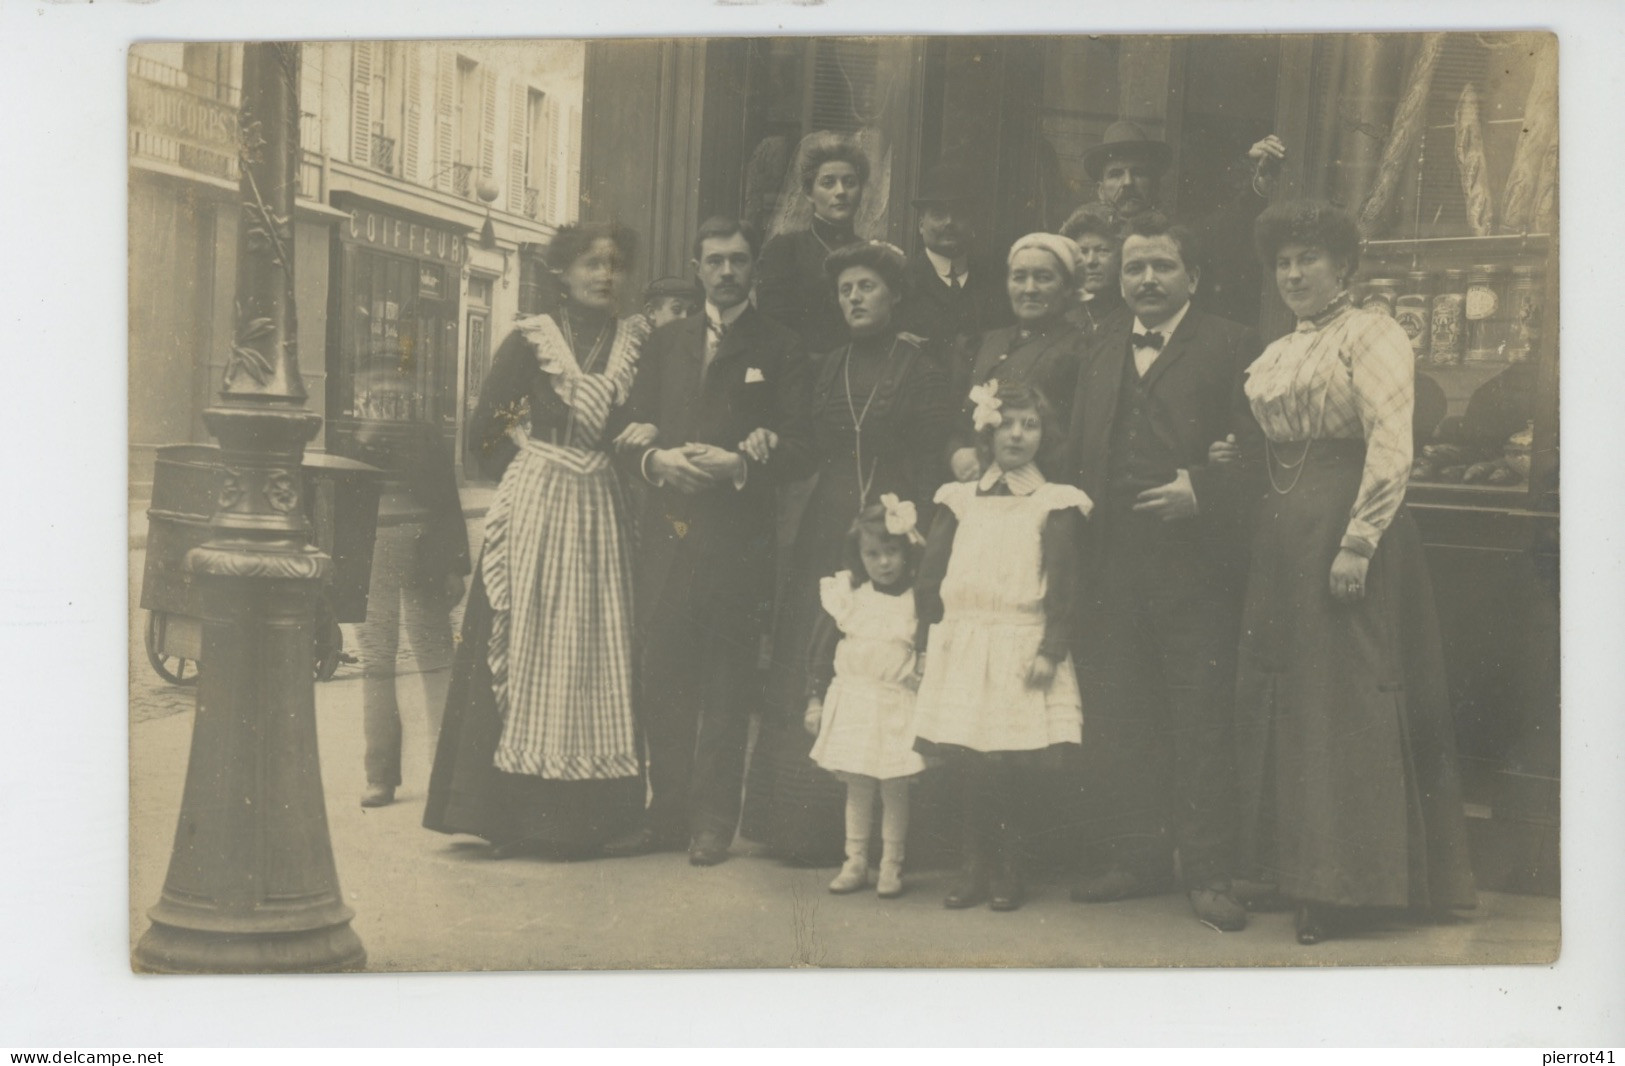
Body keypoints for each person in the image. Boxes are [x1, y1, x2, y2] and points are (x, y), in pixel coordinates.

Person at [1212, 200, 1476, 944]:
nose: (1292, 272)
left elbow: (1390, 443)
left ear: (1344, 267)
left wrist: (1357, 542)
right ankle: (1287, 868)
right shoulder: (1283, 346)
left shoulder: (1373, 333)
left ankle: (1342, 886)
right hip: (1282, 529)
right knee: (1282, 694)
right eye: (1282, 261)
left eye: (1308, 258)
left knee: (1339, 702)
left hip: (1343, 525)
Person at [423, 222, 652, 859]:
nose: (604, 276)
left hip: (604, 507)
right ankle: (510, 815)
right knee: (525, 639)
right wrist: (531, 471)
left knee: (596, 645)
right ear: (563, 273)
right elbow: (485, 431)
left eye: (613, 265)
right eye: (590, 264)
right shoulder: (532, 340)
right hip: (539, 503)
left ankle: (589, 819)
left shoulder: (637, 340)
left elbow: (643, 424)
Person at [1061, 212, 1258, 931]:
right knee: (1121, 711)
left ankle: (1207, 873)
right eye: (1133, 268)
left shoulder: (1233, 344)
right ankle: (1136, 858)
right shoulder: (1099, 342)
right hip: (1110, 559)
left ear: (1193, 277)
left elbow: (1264, 454)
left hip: (1195, 564)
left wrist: (1203, 487)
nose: (1145, 280)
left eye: (1161, 267)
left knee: (1199, 715)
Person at [605, 217, 814, 866]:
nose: (727, 272)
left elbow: (803, 445)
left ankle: (711, 822)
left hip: (736, 539)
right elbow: (624, 429)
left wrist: (744, 464)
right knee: (662, 680)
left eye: (739, 261)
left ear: (754, 269)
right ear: (696, 268)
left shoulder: (781, 347)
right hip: (666, 536)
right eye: (715, 260)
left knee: (727, 686)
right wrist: (651, 463)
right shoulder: (664, 343)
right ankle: (664, 815)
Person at [741, 239, 953, 866]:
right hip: (831, 525)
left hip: (897, 524)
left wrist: (912, 532)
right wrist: (769, 440)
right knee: (820, 650)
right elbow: (805, 448)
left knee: (891, 663)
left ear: (893, 296)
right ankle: (804, 828)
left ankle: (901, 839)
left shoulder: (923, 369)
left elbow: (933, 451)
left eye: (867, 287)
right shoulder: (825, 365)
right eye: (845, 290)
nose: (855, 298)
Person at [914, 381, 1090, 911]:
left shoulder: (1053, 502)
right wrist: (928, 641)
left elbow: (1064, 585)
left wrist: (1050, 650)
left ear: (1045, 435)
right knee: (969, 760)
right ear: (987, 431)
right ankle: (972, 866)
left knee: (1012, 762)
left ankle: (1011, 868)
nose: (1017, 434)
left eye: (1030, 425)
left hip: (1019, 644)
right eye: (1007, 423)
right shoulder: (959, 498)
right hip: (965, 643)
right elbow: (931, 575)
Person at [805, 498, 928, 898]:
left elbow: (927, 651)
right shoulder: (850, 596)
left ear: (906, 552)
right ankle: (855, 860)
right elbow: (822, 651)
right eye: (872, 554)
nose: (884, 563)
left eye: (892, 552)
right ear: (859, 556)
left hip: (896, 703)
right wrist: (815, 699)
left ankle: (891, 864)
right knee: (857, 785)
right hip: (856, 702)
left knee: (894, 786)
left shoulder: (917, 602)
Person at [355, 414, 470, 809]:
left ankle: (448, 771)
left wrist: (453, 564)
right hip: (372, 547)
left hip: (424, 548)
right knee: (377, 659)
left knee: (435, 655)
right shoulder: (355, 430)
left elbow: (446, 497)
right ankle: (380, 775)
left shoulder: (422, 428)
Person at [947, 232, 1089, 484]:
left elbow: (1078, 438)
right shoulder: (986, 342)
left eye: (1044, 278)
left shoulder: (1081, 348)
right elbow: (957, 420)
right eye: (1019, 277)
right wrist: (956, 453)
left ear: (1067, 288)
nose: (1029, 289)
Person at [755, 131, 870, 357]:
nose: (841, 192)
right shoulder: (785, 251)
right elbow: (775, 331)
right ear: (809, 193)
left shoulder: (871, 252)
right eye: (828, 183)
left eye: (850, 182)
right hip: (805, 377)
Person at [894, 162, 1013, 348]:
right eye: (939, 214)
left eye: (959, 213)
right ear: (921, 225)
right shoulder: (901, 281)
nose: (950, 222)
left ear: (972, 224)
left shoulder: (994, 279)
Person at [1058, 202, 1125, 339]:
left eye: (1102, 250)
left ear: (1121, 257)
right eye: (1082, 251)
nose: (1090, 261)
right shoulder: (1063, 319)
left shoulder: (1136, 319)